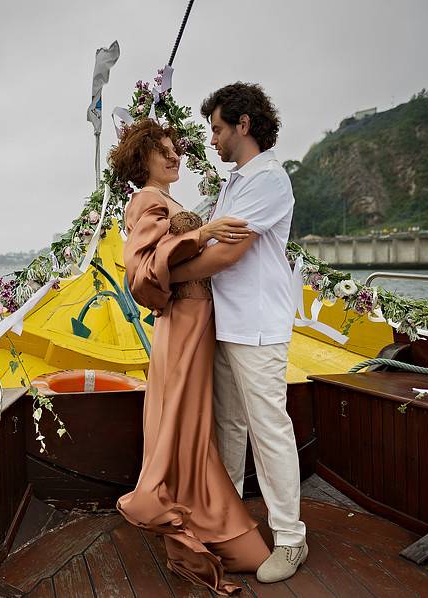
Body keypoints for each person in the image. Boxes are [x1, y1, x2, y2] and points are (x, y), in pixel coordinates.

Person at [112, 118, 270, 596]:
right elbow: (140, 270)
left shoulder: (171, 200)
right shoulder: (147, 199)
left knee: (191, 423)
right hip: (182, 321)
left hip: (199, 321)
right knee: (185, 422)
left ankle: (197, 520)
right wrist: (204, 236)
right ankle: (178, 512)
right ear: (142, 160)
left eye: (176, 147)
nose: (174, 155)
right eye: (163, 150)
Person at [170, 82, 307, 583]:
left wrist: (163, 276)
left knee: (270, 430)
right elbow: (208, 240)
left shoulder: (268, 180)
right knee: (229, 428)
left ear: (243, 125)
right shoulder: (235, 182)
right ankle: (227, 522)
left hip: (259, 327)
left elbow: (226, 252)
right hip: (228, 325)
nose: (212, 139)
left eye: (217, 128)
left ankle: (291, 539)